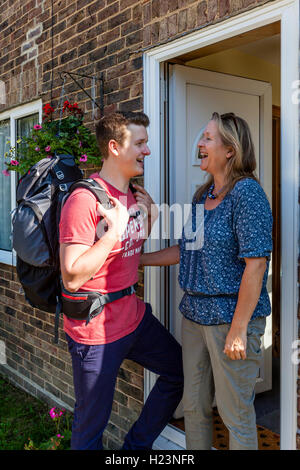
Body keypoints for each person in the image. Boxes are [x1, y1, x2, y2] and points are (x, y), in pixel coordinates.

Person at [140, 112, 273, 450]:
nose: (199, 144)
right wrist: (135, 260)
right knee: (194, 407)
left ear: (230, 149)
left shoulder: (247, 195)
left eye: (208, 138)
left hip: (230, 320)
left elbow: (256, 265)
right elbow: (186, 250)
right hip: (195, 318)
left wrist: (240, 329)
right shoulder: (203, 195)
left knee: (234, 414)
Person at [59, 111, 183, 450]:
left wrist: (150, 218)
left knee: (178, 371)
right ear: (114, 147)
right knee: (90, 430)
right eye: (140, 143)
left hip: (133, 317)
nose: (148, 151)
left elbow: (127, 253)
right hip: (96, 332)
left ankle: (134, 449)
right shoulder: (84, 200)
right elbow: (71, 276)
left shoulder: (134, 195)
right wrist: (113, 230)